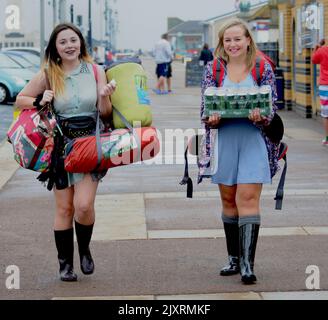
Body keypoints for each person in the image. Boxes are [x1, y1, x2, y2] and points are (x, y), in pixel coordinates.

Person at [16, 23, 116, 282]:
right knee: (64, 209)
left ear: (81, 43)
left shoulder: (95, 71)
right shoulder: (49, 73)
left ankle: (84, 249)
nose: (70, 45)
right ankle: (65, 265)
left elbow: (105, 114)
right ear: (56, 48)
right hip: (60, 145)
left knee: (84, 206)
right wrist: (41, 99)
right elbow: (21, 99)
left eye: (74, 40)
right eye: (63, 42)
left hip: (89, 144)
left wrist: (105, 96)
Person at [198, 18, 279, 284]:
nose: (232, 44)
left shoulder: (262, 67)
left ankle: (247, 263)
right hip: (224, 140)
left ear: (248, 40)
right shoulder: (214, 69)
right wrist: (212, 118)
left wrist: (262, 116)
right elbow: (204, 109)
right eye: (227, 40)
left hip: (254, 140)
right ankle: (233, 258)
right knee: (229, 200)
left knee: (247, 198)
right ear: (222, 44)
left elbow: (272, 108)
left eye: (237, 39)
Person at [312, 38, 328, 146]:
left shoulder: (322, 51)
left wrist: (316, 48)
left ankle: (327, 138)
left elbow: (314, 60)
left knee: (326, 114)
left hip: (325, 86)